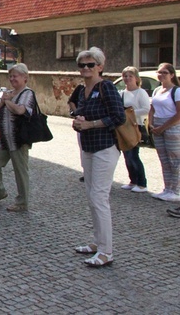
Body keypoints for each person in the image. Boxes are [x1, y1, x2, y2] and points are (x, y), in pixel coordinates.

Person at [71, 47, 125, 268]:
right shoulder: (83, 90)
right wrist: (78, 122)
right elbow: (79, 115)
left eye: (90, 64)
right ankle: (97, 242)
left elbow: (118, 117)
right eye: (82, 65)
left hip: (105, 148)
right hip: (88, 147)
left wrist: (90, 124)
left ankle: (106, 252)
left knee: (99, 198)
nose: (85, 68)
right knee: (91, 197)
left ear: (100, 67)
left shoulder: (107, 87)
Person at [0, 64, 35, 212]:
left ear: (25, 78)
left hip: (19, 139)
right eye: (11, 76)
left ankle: (22, 202)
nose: (12, 78)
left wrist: (7, 101)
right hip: (4, 138)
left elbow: (21, 110)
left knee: (20, 171)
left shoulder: (27, 93)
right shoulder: (8, 93)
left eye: (16, 76)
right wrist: (2, 101)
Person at [148, 62, 180, 203]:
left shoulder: (176, 91)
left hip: (172, 126)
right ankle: (167, 188)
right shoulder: (157, 90)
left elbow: (178, 114)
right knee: (164, 160)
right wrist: (151, 123)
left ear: (172, 75)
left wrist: (163, 127)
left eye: (164, 72)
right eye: (159, 72)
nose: (161, 75)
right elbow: (152, 108)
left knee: (175, 160)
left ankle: (176, 190)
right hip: (158, 126)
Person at [118, 66, 150, 193]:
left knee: (133, 155)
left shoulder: (140, 92)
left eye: (130, 76)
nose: (127, 78)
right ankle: (133, 180)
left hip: (135, 126)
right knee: (127, 154)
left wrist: (130, 113)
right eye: (125, 76)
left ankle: (142, 183)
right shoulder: (122, 93)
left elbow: (145, 109)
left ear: (136, 78)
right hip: (124, 126)